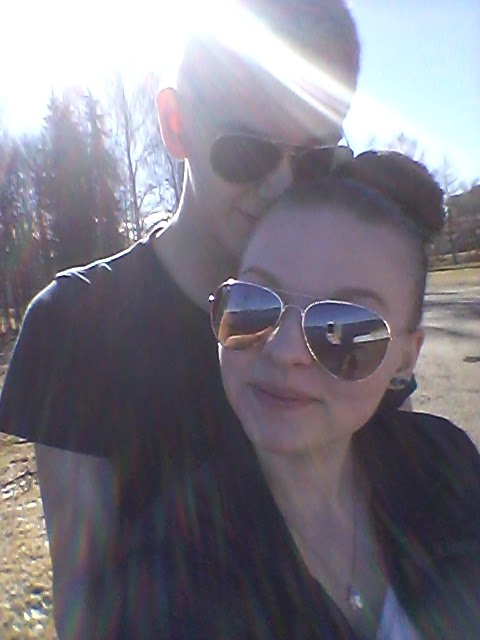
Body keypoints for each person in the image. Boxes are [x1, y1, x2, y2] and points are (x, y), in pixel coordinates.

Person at [0, 2, 367, 637]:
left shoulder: (346, 311)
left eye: (314, 161)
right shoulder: (74, 326)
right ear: (175, 126)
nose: (281, 187)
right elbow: (87, 608)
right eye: (246, 151)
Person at [107, 151, 480, 639]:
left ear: (406, 358)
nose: (284, 352)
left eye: (344, 327)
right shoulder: (173, 564)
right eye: (254, 303)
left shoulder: (445, 464)